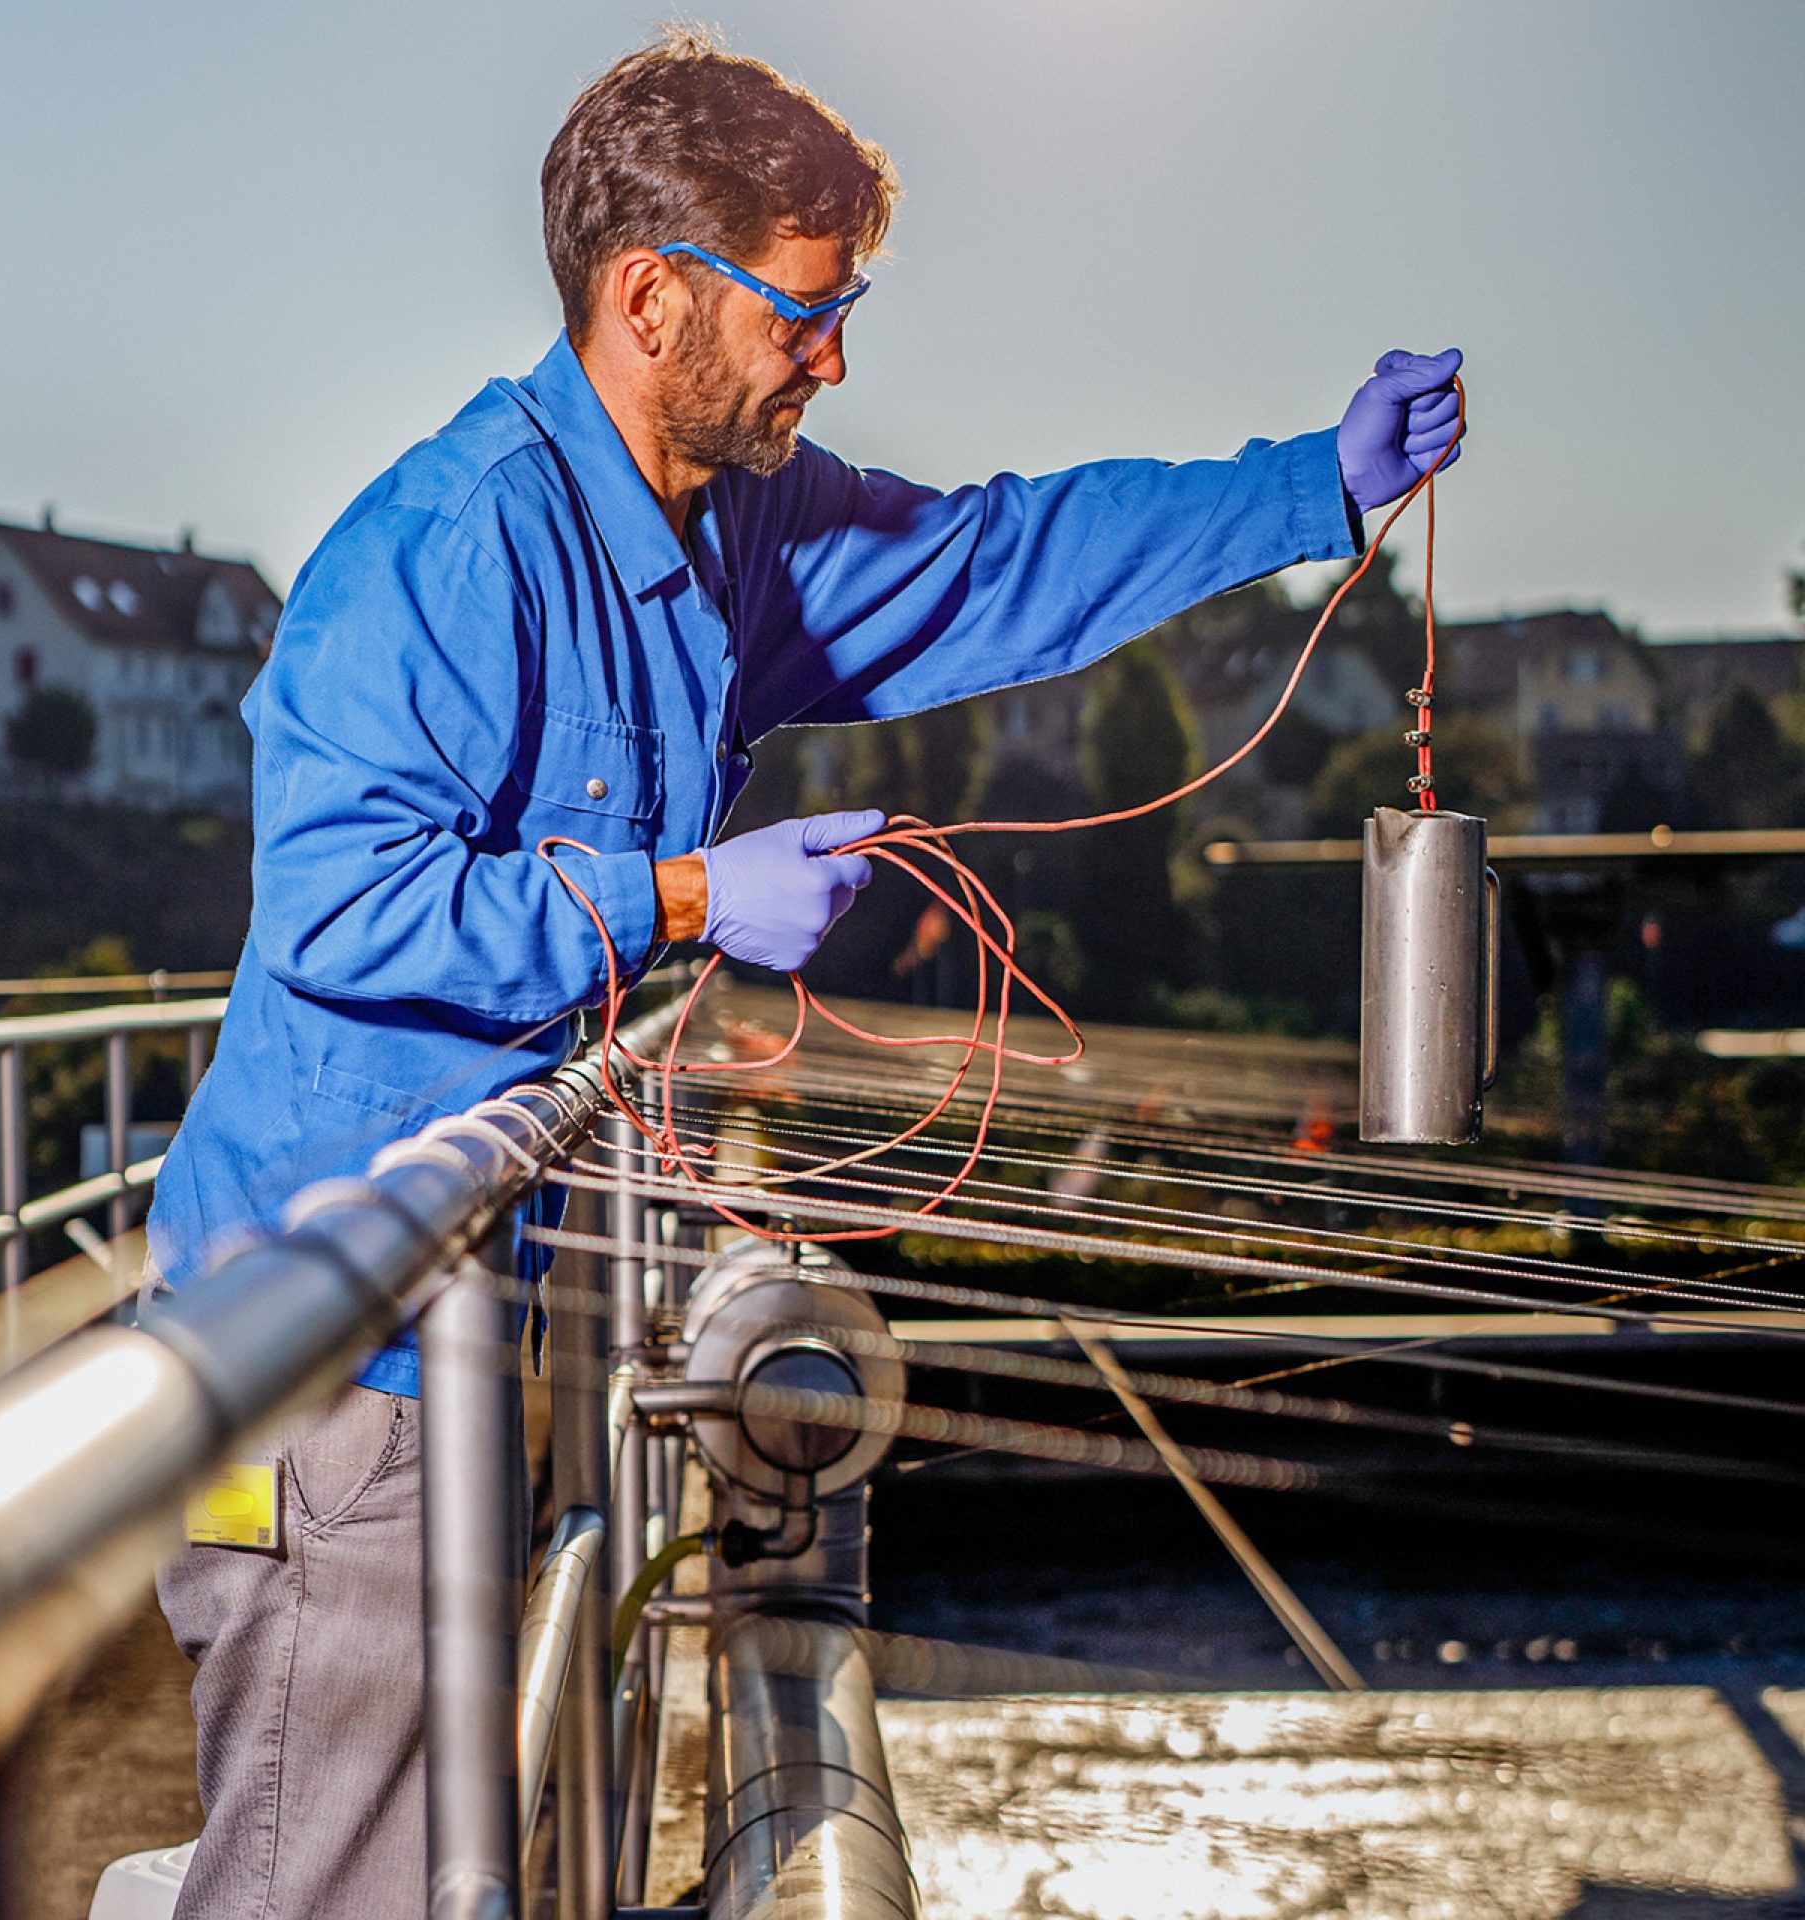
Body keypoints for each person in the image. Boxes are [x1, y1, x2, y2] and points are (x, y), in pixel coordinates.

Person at [145, 27, 1466, 1918]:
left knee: (440, 1851)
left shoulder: (730, 526)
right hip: (310, 1358)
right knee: (327, 1877)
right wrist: (681, 895)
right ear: (653, 296)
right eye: (808, 309)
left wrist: (1303, 491)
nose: (836, 354)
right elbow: (345, 915)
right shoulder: (448, 548)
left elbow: (992, 562)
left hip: (453, 1317)